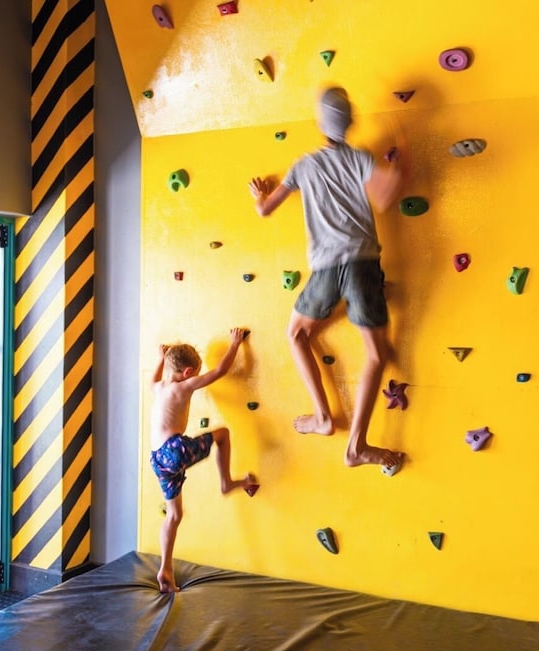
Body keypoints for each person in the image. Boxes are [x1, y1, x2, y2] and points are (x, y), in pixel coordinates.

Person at [249, 86, 407, 472]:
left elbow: (265, 210)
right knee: (376, 355)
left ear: (321, 124)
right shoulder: (360, 158)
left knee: (296, 335)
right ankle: (357, 446)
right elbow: (385, 198)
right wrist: (401, 161)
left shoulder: (303, 166)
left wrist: (258, 197)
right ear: (349, 123)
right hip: (362, 266)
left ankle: (322, 417)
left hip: (325, 270)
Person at [150, 327, 258, 593]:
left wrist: (160, 358)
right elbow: (220, 371)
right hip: (174, 450)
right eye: (196, 372)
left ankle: (165, 569)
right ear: (188, 373)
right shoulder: (185, 386)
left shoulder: (158, 387)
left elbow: (154, 376)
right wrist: (235, 344)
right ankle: (226, 482)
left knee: (174, 515)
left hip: (157, 459)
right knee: (222, 434)